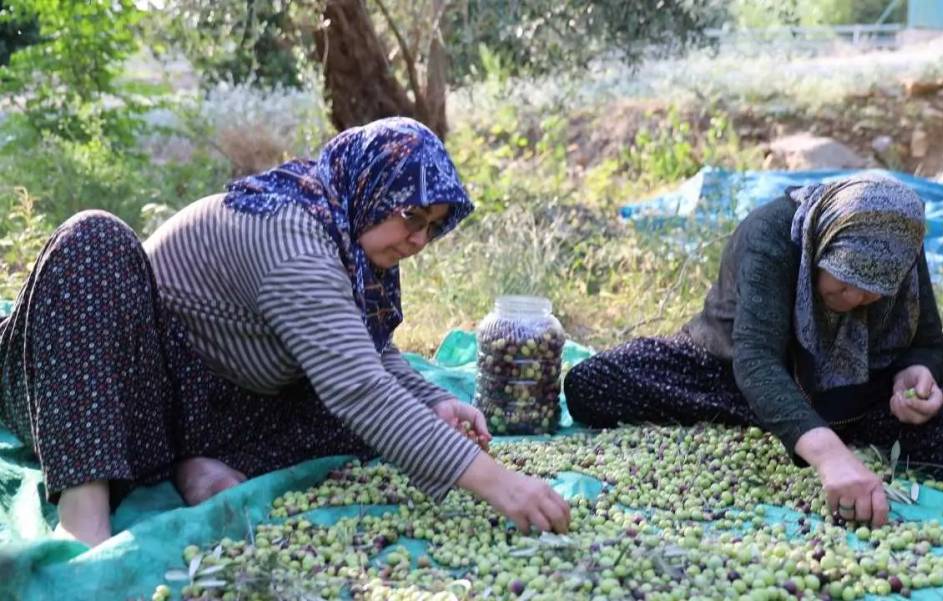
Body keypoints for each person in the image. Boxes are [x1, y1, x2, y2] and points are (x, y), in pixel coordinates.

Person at [0, 117, 570, 548]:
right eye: (411, 218)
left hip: (201, 407)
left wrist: (434, 400)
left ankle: (186, 464)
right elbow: (360, 388)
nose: (419, 242)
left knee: (361, 417)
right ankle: (85, 517)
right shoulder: (292, 238)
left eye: (433, 228)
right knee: (92, 236)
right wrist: (503, 486)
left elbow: (359, 354)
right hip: (96, 388)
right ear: (370, 188)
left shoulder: (348, 239)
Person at [564, 176, 943, 530]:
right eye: (846, 287)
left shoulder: (899, 246)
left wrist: (916, 376)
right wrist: (831, 458)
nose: (856, 304)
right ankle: (799, 424)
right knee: (593, 383)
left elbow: (929, 344)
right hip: (732, 377)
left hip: (860, 391)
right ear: (823, 247)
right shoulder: (772, 236)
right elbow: (755, 362)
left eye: (873, 297)